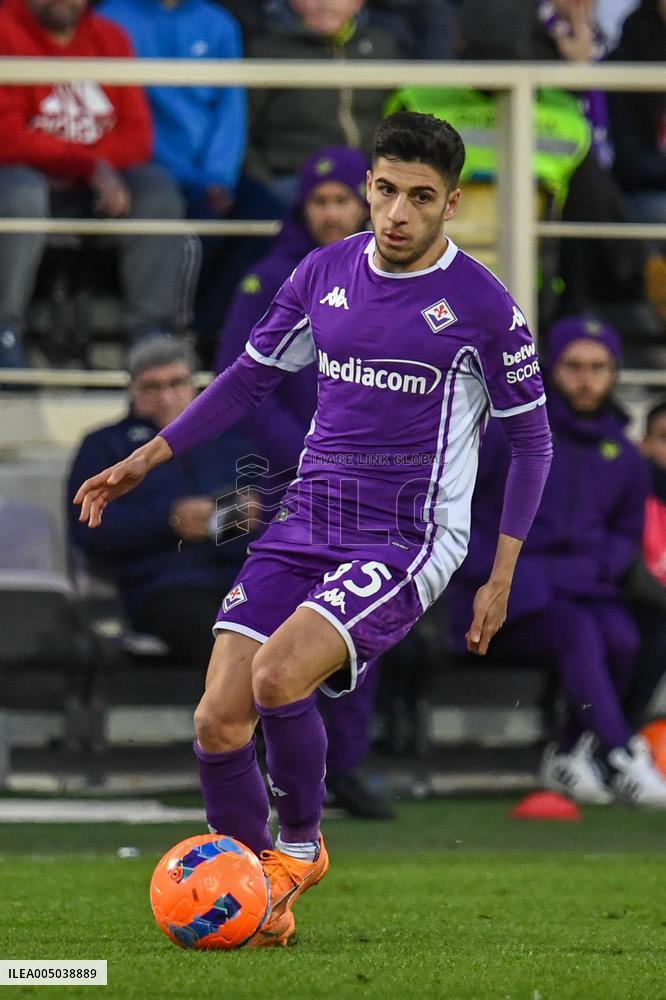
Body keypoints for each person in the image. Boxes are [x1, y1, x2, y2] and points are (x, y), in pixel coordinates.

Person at [74, 111, 553, 947]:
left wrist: (499, 571)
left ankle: (299, 849)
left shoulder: (484, 307)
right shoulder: (324, 272)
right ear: (369, 185)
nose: (397, 213)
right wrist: (147, 457)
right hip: (309, 518)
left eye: (420, 197)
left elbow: (534, 439)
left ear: (451, 205)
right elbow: (246, 381)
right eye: (385, 190)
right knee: (217, 719)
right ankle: (257, 902)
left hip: (407, 537)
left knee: (275, 677)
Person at [217, 145, 394, 819]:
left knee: (351, 634)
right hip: (290, 480)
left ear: (364, 203)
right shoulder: (270, 281)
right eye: (318, 202)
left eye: (341, 200)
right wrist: (307, 460)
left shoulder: (395, 285)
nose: (329, 213)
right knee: (265, 628)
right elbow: (245, 385)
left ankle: (342, 768)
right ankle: (254, 764)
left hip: (366, 486)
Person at [447, 315, 666, 806]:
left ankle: (569, 752)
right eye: (573, 366)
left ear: (614, 373)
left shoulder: (624, 456)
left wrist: (581, 572)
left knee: (626, 638)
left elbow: (622, 538)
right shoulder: (508, 435)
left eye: (598, 366)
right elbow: (464, 519)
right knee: (579, 632)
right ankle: (621, 753)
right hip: (502, 601)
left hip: (583, 591)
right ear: (550, 367)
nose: (586, 378)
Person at [0, 0, 192, 368]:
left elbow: (138, 136)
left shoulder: (110, 37)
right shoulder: (5, 30)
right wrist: (89, 164)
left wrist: (96, 168)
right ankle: (5, 330)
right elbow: (7, 137)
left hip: (97, 186)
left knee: (156, 189)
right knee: (21, 193)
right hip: (22, 179)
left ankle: (151, 334)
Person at [97, 0, 279, 365]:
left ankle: (209, 331)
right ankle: (177, 336)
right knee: (197, 230)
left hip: (215, 173)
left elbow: (231, 108)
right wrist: (196, 179)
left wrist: (218, 178)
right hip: (150, 169)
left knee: (268, 219)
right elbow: (130, 117)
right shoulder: (111, 20)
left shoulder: (218, 22)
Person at [67, 337, 254, 669]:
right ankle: (238, 721)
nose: (166, 396)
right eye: (152, 386)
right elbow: (89, 530)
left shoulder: (230, 443)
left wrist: (244, 517)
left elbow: (262, 512)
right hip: (160, 587)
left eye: (176, 383)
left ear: (195, 386)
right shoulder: (105, 447)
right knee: (222, 642)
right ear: (132, 390)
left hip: (239, 578)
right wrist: (168, 521)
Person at [246, 0, 400, 211]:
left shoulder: (382, 46)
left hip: (369, 177)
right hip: (292, 179)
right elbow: (241, 131)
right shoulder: (268, 52)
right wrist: (265, 185)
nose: (324, 3)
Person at [625, 400, 666, 726]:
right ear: (645, 445)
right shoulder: (631, 495)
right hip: (640, 606)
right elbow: (634, 574)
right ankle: (620, 736)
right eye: (665, 437)